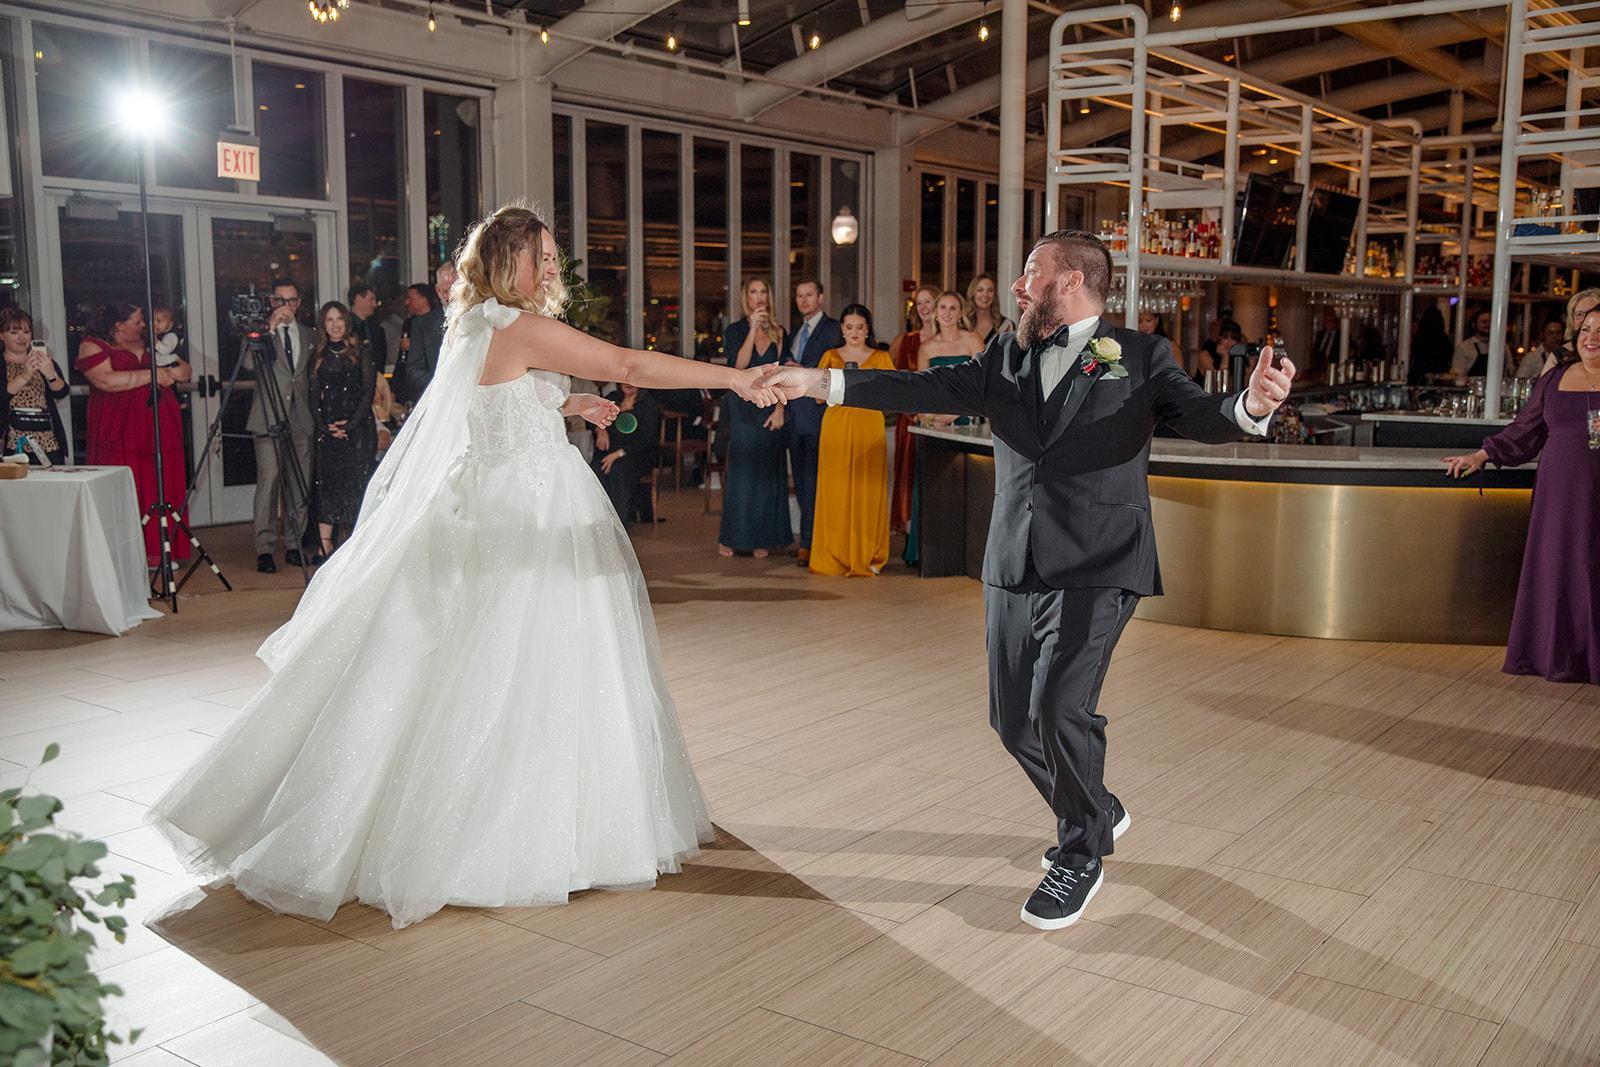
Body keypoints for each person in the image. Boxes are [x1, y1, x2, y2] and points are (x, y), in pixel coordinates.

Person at [146, 202, 784, 929]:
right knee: (531, 661)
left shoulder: (474, 322)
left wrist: (567, 403)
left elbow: (496, 402)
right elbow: (628, 364)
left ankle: (514, 812)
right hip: (528, 509)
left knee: (491, 661)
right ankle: (519, 830)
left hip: (488, 499)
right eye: (543, 256)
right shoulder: (518, 324)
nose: (554, 268)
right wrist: (735, 379)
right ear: (511, 260)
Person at [762, 229, 1295, 931]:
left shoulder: (1139, 355)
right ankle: (1095, 807)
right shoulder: (1006, 353)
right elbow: (923, 386)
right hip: (1015, 557)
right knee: (1013, 721)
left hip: (1100, 559)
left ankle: (1081, 851)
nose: (1017, 286)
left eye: (1029, 272)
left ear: (1070, 281)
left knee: (1059, 709)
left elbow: (1201, 415)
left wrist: (1251, 405)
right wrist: (818, 383)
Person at [1443, 305, 1600, 684]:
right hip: (1558, 491)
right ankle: (1554, 656)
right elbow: (1525, 428)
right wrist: (1481, 455)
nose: (1592, 338)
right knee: (1558, 565)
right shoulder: (1555, 378)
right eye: (1586, 330)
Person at [76, 301, 193, 567]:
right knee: (125, 483)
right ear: (118, 324)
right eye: (137, 321)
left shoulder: (153, 343)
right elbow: (105, 380)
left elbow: (185, 370)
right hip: (119, 424)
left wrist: (172, 371)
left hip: (158, 421)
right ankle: (125, 553)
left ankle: (160, 549)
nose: (143, 325)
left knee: (158, 481)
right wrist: (153, 375)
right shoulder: (94, 345)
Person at [810, 305, 895, 577]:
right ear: (842, 329)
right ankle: (834, 553)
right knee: (835, 489)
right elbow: (817, 397)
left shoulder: (881, 357)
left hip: (869, 425)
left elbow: (894, 394)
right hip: (836, 425)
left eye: (860, 327)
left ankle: (869, 553)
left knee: (868, 488)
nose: (854, 332)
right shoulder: (830, 356)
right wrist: (838, 382)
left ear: (868, 329)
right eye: (849, 327)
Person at [903, 292, 986, 566]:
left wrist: (957, 413)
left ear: (961, 312)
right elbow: (921, 391)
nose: (947, 313)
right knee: (934, 486)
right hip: (935, 424)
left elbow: (985, 384)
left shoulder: (972, 340)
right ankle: (930, 555)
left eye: (953, 308)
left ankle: (969, 554)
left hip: (967, 421)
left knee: (970, 487)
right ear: (935, 312)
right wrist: (930, 417)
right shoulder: (927, 347)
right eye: (942, 308)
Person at [718, 278, 791, 558]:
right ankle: (731, 538)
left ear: (768, 297)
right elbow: (738, 368)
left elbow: (783, 375)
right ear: (745, 298)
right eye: (753, 292)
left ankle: (763, 538)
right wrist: (752, 329)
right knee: (741, 471)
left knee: (765, 473)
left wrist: (780, 410)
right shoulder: (735, 330)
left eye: (762, 292)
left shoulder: (779, 331)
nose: (758, 297)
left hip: (770, 405)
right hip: (742, 406)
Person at [250, 278, 317, 574]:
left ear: (298, 303)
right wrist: (269, 328)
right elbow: (249, 364)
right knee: (269, 482)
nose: (286, 306)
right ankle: (264, 548)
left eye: (291, 301)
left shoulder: (309, 334)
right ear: (271, 301)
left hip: (301, 418)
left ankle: (294, 542)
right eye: (280, 300)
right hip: (268, 416)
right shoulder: (260, 332)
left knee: (299, 483)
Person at [309, 301, 378, 562]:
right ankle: (324, 546)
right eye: (330, 320)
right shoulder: (317, 356)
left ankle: (354, 549)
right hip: (328, 434)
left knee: (355, 488)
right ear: (323, 324)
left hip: (358, 433)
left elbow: (367, 392)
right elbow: (312, 396)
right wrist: (324, 426)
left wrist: (349, 426)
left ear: (346, 322)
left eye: (339, 319)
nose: (335, 324)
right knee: (327, 486)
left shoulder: (361, 353)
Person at [784, 278, 843, 566]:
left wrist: (802, 370)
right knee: (803, 485)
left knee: (816, 484)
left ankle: (813, 545)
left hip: (819, 418)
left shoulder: (834, 329)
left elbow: (836, 372)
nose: (804, 300)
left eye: (809, 295)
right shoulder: (796, 331)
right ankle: (807, 542)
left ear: (820, 298)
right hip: (795, 419)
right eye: (799, 296)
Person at [888, 286, 937, 533]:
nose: (924, 307)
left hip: (943, 418)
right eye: (920, 303)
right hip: (909, 418)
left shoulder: (953, 339)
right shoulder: (905, 341)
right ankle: (910, 534)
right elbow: (894, 381)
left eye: (929, 301)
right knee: (908, 475)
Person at [3, 308, 69, 465]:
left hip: (46, 439)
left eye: (26, 332)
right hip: (11, 439)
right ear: (1, 335)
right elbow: (2, 396)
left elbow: (61, 392)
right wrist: (24, 376)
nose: (21, 337)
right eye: (14, 332)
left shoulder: (43, 360)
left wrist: (51, 375)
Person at [592, 382, 660, 526]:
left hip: (637, 454)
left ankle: (619, 523)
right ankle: (600, 523)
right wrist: (601, 429)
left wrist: (618, 454)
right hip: (610, 452)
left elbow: (647, 439)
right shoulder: (612, 398)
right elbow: (593, 417)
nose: (629, 384)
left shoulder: (648, 404)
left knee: (619, 469)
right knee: (596, 467)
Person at [397, 283, 446, 403]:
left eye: (410, 298)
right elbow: (411, 367)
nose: (407, 302)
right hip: (425, 392)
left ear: (423, 298)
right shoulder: (410, 323)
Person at [348, 284, 390, 375]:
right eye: (371, 300)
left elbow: (381, 360)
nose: (375, 305)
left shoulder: (378, 330)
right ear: (358, 299)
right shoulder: (344, 328)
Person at [1408, 307, 1455, 384]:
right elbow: (1449, 355)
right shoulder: (1444, 338)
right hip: (1439, 374)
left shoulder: (1420, 337)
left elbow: (1415, 353)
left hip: (1420, 373)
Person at [966, 274, 1015, 343]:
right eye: (980, 290)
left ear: (994, 295)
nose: (985, 295)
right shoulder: (963, 324)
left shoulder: (1006, 325)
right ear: (972, 294)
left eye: (990, 290)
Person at [1452, 309, 1493, 378]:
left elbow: (1509, 370)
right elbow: (1457, 374)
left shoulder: (1503, 346)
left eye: (1491, 322)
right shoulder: (1464, 347)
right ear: (1474, 325)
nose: (1488, 325)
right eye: (1484, 322)